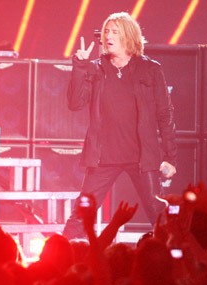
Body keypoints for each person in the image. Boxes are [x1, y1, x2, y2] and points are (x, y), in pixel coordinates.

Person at [62, 12, 177, 239]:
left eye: (115, 32)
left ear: (129, 36)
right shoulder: (95, 68)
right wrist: (80, 67)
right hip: (103, 157)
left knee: (158, 212)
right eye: (107, 31)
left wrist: (170, 156)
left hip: (142, 156)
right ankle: (59, 255)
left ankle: (175, 255)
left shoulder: (150, 69)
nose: (109, 36)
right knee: (82, 213)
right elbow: (75, 103)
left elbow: (165, 114)